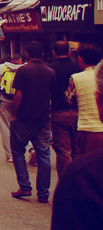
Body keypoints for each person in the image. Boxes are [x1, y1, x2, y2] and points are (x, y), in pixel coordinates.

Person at [45, 60, 103, 230]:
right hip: (85, 125)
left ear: (99, 103)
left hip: (86, 127)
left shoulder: (84, 178)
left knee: (66, 154)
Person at [10, 41, 55, 203]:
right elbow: (50, 95)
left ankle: (25, 186)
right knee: (44, 156)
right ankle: (43, 193)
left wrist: (14, 115)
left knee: (17, 151)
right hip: (43, 119)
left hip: (24, 118)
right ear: (42, 54)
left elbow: (18, 95)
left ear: (27, 55)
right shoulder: (50, 72)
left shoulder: (23, 70)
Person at [48, 41, 81, 177]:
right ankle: (79, 180)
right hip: (78, 112)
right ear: (69, 52)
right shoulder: (78, 67)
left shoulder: (50, 69)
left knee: (63, 151)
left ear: (54, 53)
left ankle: (66, 182)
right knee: (76, 150)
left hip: (58, 112)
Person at [66, 43, 103, 156]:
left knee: (89, 166)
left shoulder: (76, 78)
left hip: (88, 130)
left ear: (81, 60)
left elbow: (70, 100)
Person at [0, 54, 24, 162]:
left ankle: (10, 155)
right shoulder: (24, 68)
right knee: (22, 126)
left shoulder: (2, 67)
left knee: (5, 127)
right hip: (20, 101)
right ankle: (30, 148)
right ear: (20, 60)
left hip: (4, 99)